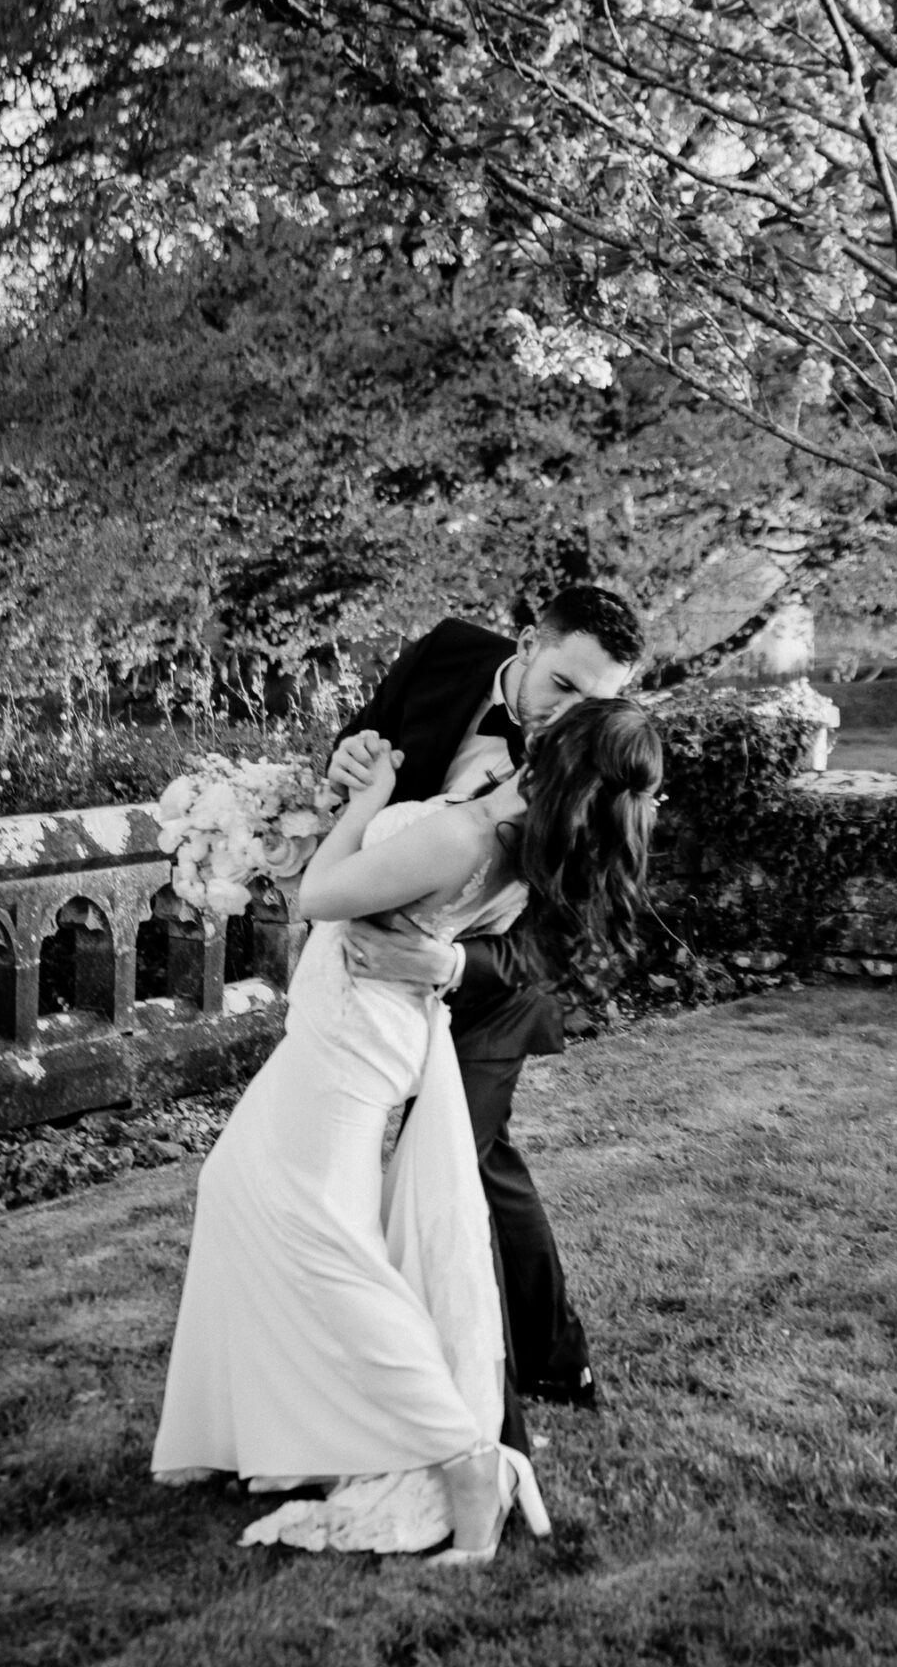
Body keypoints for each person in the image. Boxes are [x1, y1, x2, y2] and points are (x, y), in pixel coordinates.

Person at [151, 692, 662, 1560]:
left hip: (353, 1036)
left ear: (556, 755)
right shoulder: (516, 831)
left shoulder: (462, 836)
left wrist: (365, 802)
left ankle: (467, 1459)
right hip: (367, 1023)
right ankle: (262, 1428)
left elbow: (319, 897)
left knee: (325, 1243)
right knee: (237, 1182)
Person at [329, 585, 645, 1415]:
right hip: (383, 958)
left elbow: (566, 937)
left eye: (598, 701)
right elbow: (371, 743)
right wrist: (349, 758)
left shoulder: (602, 759)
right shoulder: (447, 653)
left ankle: (457, 1391)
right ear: (526, 643)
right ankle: (543, 1359)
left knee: (448, 1167)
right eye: (563, 687)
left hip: (493, 982)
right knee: (479, 1163)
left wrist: (451, 963)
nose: (570, 715)